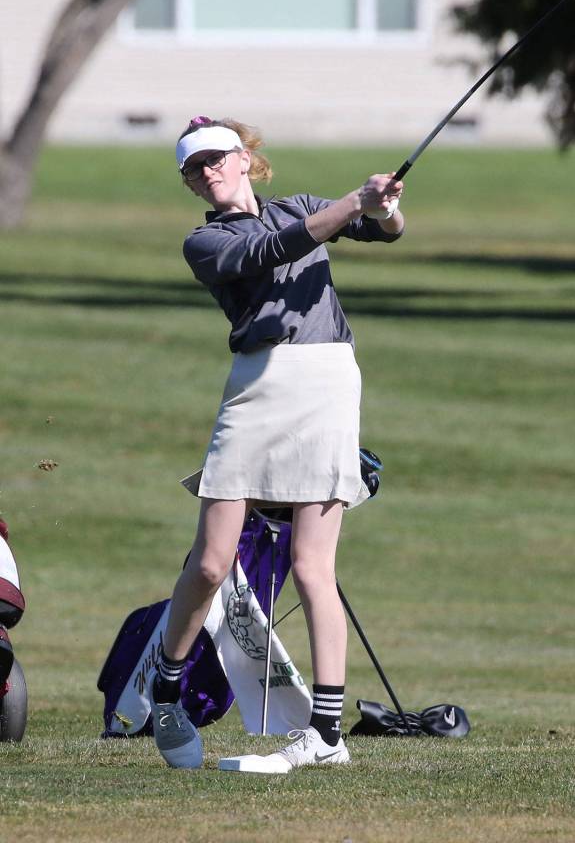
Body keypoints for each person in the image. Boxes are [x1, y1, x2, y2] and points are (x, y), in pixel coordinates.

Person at [149, 115, 404, 772]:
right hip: (257, 387)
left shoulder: (301, 205)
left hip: (327, 381)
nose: (208, 172)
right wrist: (354, 201)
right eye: (194, 168)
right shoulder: (204, 243)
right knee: (209, 562)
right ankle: (167, 690)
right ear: (190, 182)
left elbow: (383, 230)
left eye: (217, 159)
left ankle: (324, 733)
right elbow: (275, 252)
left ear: (244, 161)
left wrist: (381, 204)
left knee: (314, 566)